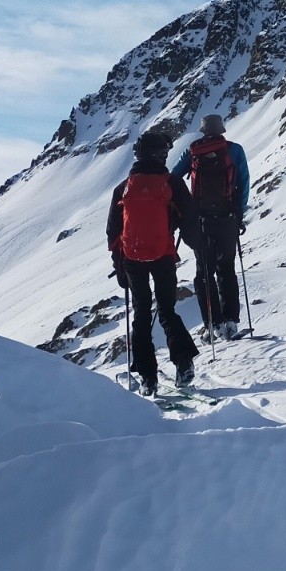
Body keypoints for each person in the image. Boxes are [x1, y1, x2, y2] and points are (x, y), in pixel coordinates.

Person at [107, 129, 202, 395]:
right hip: (163, 255)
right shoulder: (171, 182)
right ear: (162, 154)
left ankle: (148, 377)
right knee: (167, 311)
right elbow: (190, 220)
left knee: (141, 315)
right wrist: (197, 246)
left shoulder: (123, 187)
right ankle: (183, 361)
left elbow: (113, 232)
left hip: (132, 259)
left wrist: (119, 265)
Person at [172, 113, 251, 341]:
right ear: (222, 130)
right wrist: (238, 212)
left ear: (204, 131)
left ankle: (212, 324)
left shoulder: (193, 151)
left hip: (201, 221)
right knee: (226, 268)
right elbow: (244, 182)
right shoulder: (234, 150)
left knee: (204, 272)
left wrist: (189, 208)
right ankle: (231, 322)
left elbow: (175, 178)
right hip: (227, 219)